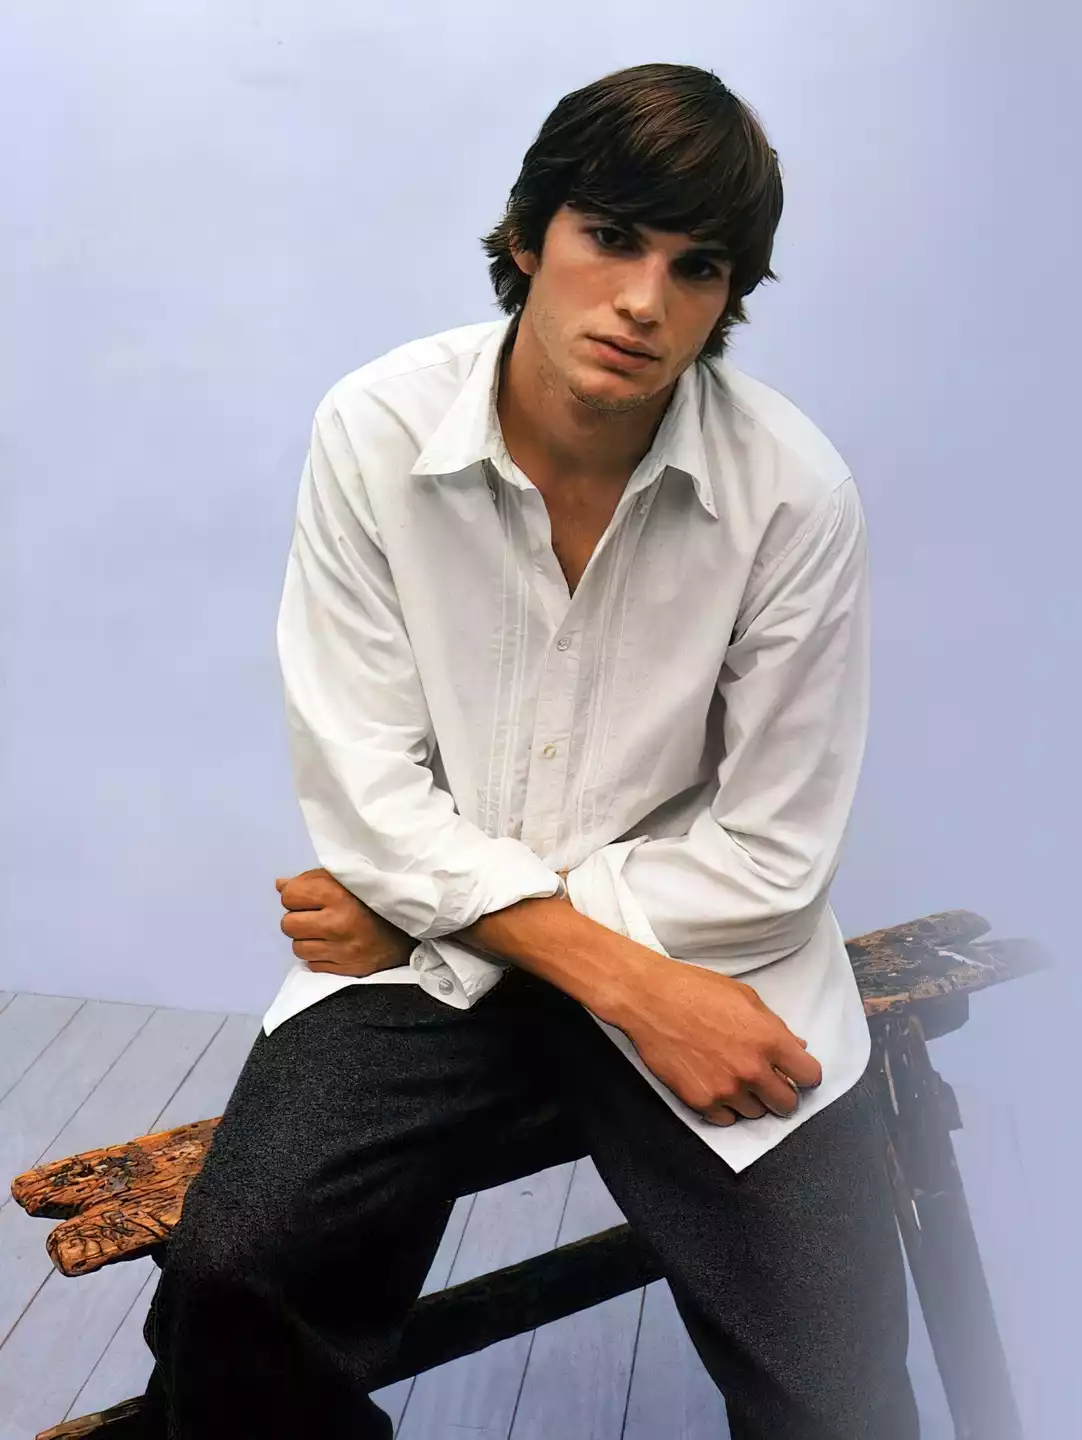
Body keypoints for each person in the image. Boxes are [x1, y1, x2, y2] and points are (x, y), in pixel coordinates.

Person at [138, 62, 917, 1439]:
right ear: (526, 234)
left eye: (697, 266)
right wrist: (613, 975)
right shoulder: (374, 432)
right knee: (232, 1276)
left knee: (842, 1390)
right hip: (475, 965)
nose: (644, 301)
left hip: (687, 953)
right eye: (611, 237)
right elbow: (367, 788)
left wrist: (431, 910)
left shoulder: (795, 496)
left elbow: (772, 855)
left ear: (729, 297)